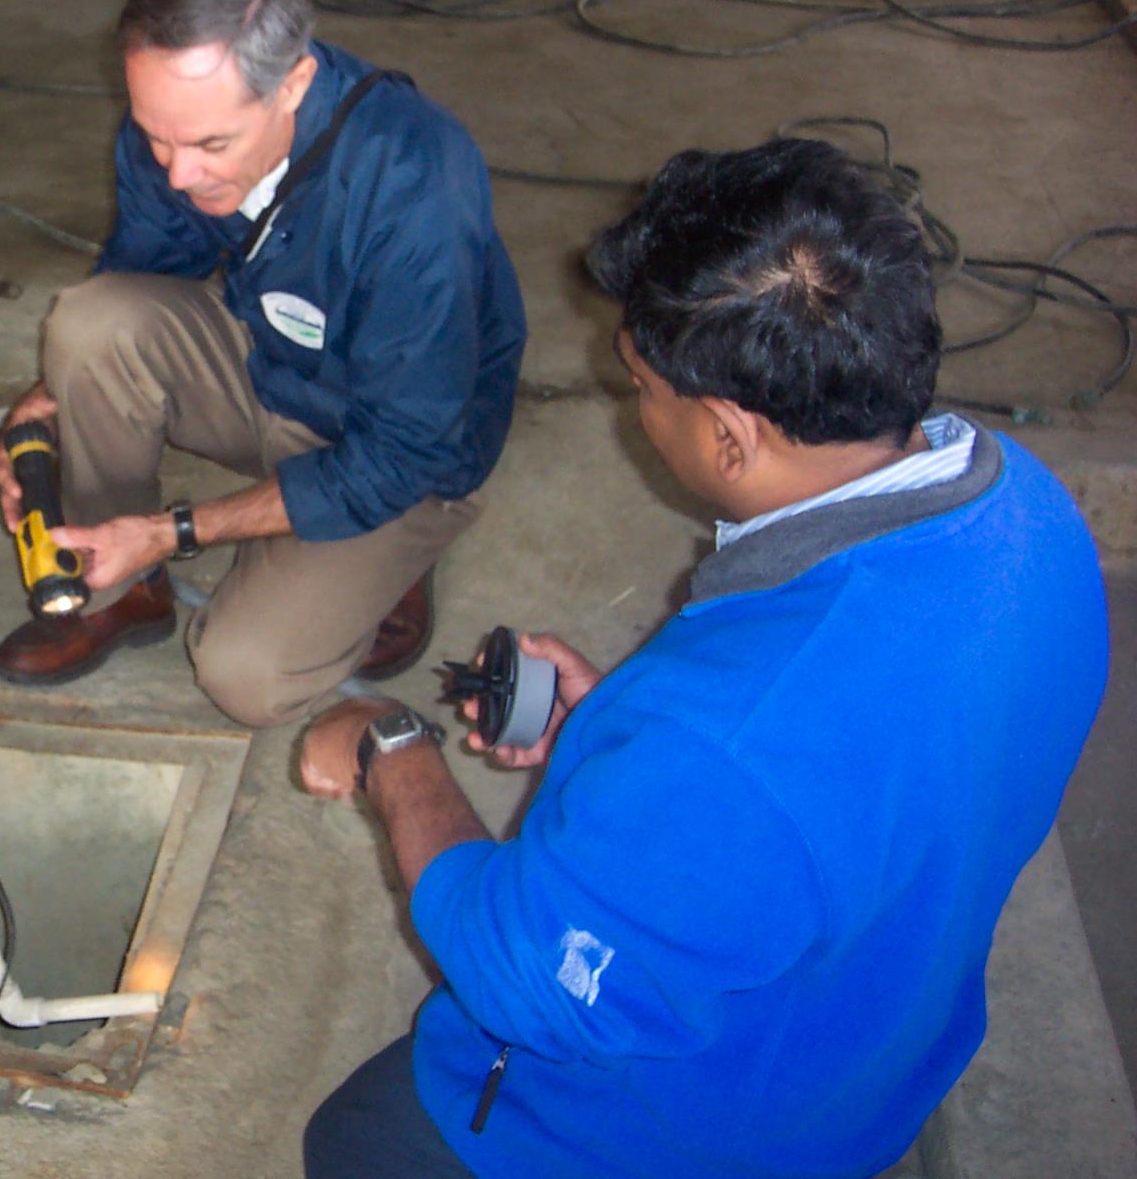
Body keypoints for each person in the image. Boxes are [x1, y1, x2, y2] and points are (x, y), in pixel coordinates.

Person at [295, 138, 1110, 1177]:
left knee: (352, 1139)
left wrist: (393, 746)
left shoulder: (727, 745)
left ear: (731, 434)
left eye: (640, 385)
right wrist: (622, 739)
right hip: (870, 1058)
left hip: (694, 1134)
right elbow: (842, 772)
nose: (636, 408)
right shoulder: (1027, 509)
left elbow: (518, 970)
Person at [0, 0, 527, 727]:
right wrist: (43, 411)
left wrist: (173, 530)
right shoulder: (176, 129)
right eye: (156, 137)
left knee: (246, 678)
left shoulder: (413, 182)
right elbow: (142, 268)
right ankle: (121, 584)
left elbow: (405, 449)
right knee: (88, 323)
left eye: (211, 146)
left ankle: (397, 555)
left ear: (295, 84)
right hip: (276, 366)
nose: (176, 173)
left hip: (403, 448)